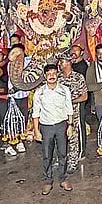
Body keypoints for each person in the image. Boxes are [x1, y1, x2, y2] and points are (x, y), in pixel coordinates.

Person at [32, 64, 73, 195]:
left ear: (58, 74)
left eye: (54, 73)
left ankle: (63, 179)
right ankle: (48, 181)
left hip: (61, 125)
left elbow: (69, 108)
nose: (51, 76)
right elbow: (35, 113)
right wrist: (36, 131)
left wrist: (70, 125)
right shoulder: (39, 92)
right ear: (44, 76)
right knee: (46, 155)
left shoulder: (64, 90)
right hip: (46, 127)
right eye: (49, 74)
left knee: (63, 154)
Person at [57, 56, 87, 172]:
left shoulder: (78, 77)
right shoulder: (58, 78)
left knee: (74, 136)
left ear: (68, 63)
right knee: (60, 136)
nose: (60, 64)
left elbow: (84, 96)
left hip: (74, 111)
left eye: (62, 62)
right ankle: (62, 159)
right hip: (60, 112)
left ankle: (74, 160)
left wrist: (70, 102)